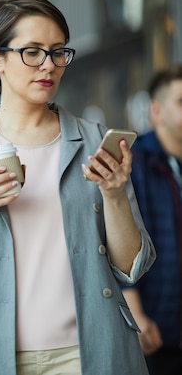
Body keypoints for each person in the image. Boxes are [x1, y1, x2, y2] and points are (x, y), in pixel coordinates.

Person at [0, 0, 156, 375]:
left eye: (58, 52)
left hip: (90, 352)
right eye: (32, 52)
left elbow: (132, 268)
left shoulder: (97, 142)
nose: (49, 65)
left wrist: (113, 195)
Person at [122, 65, 182, 375]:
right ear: (156, 111)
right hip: (157, 329)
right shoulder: (134, 165)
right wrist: (137, 314)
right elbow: (122, 243)